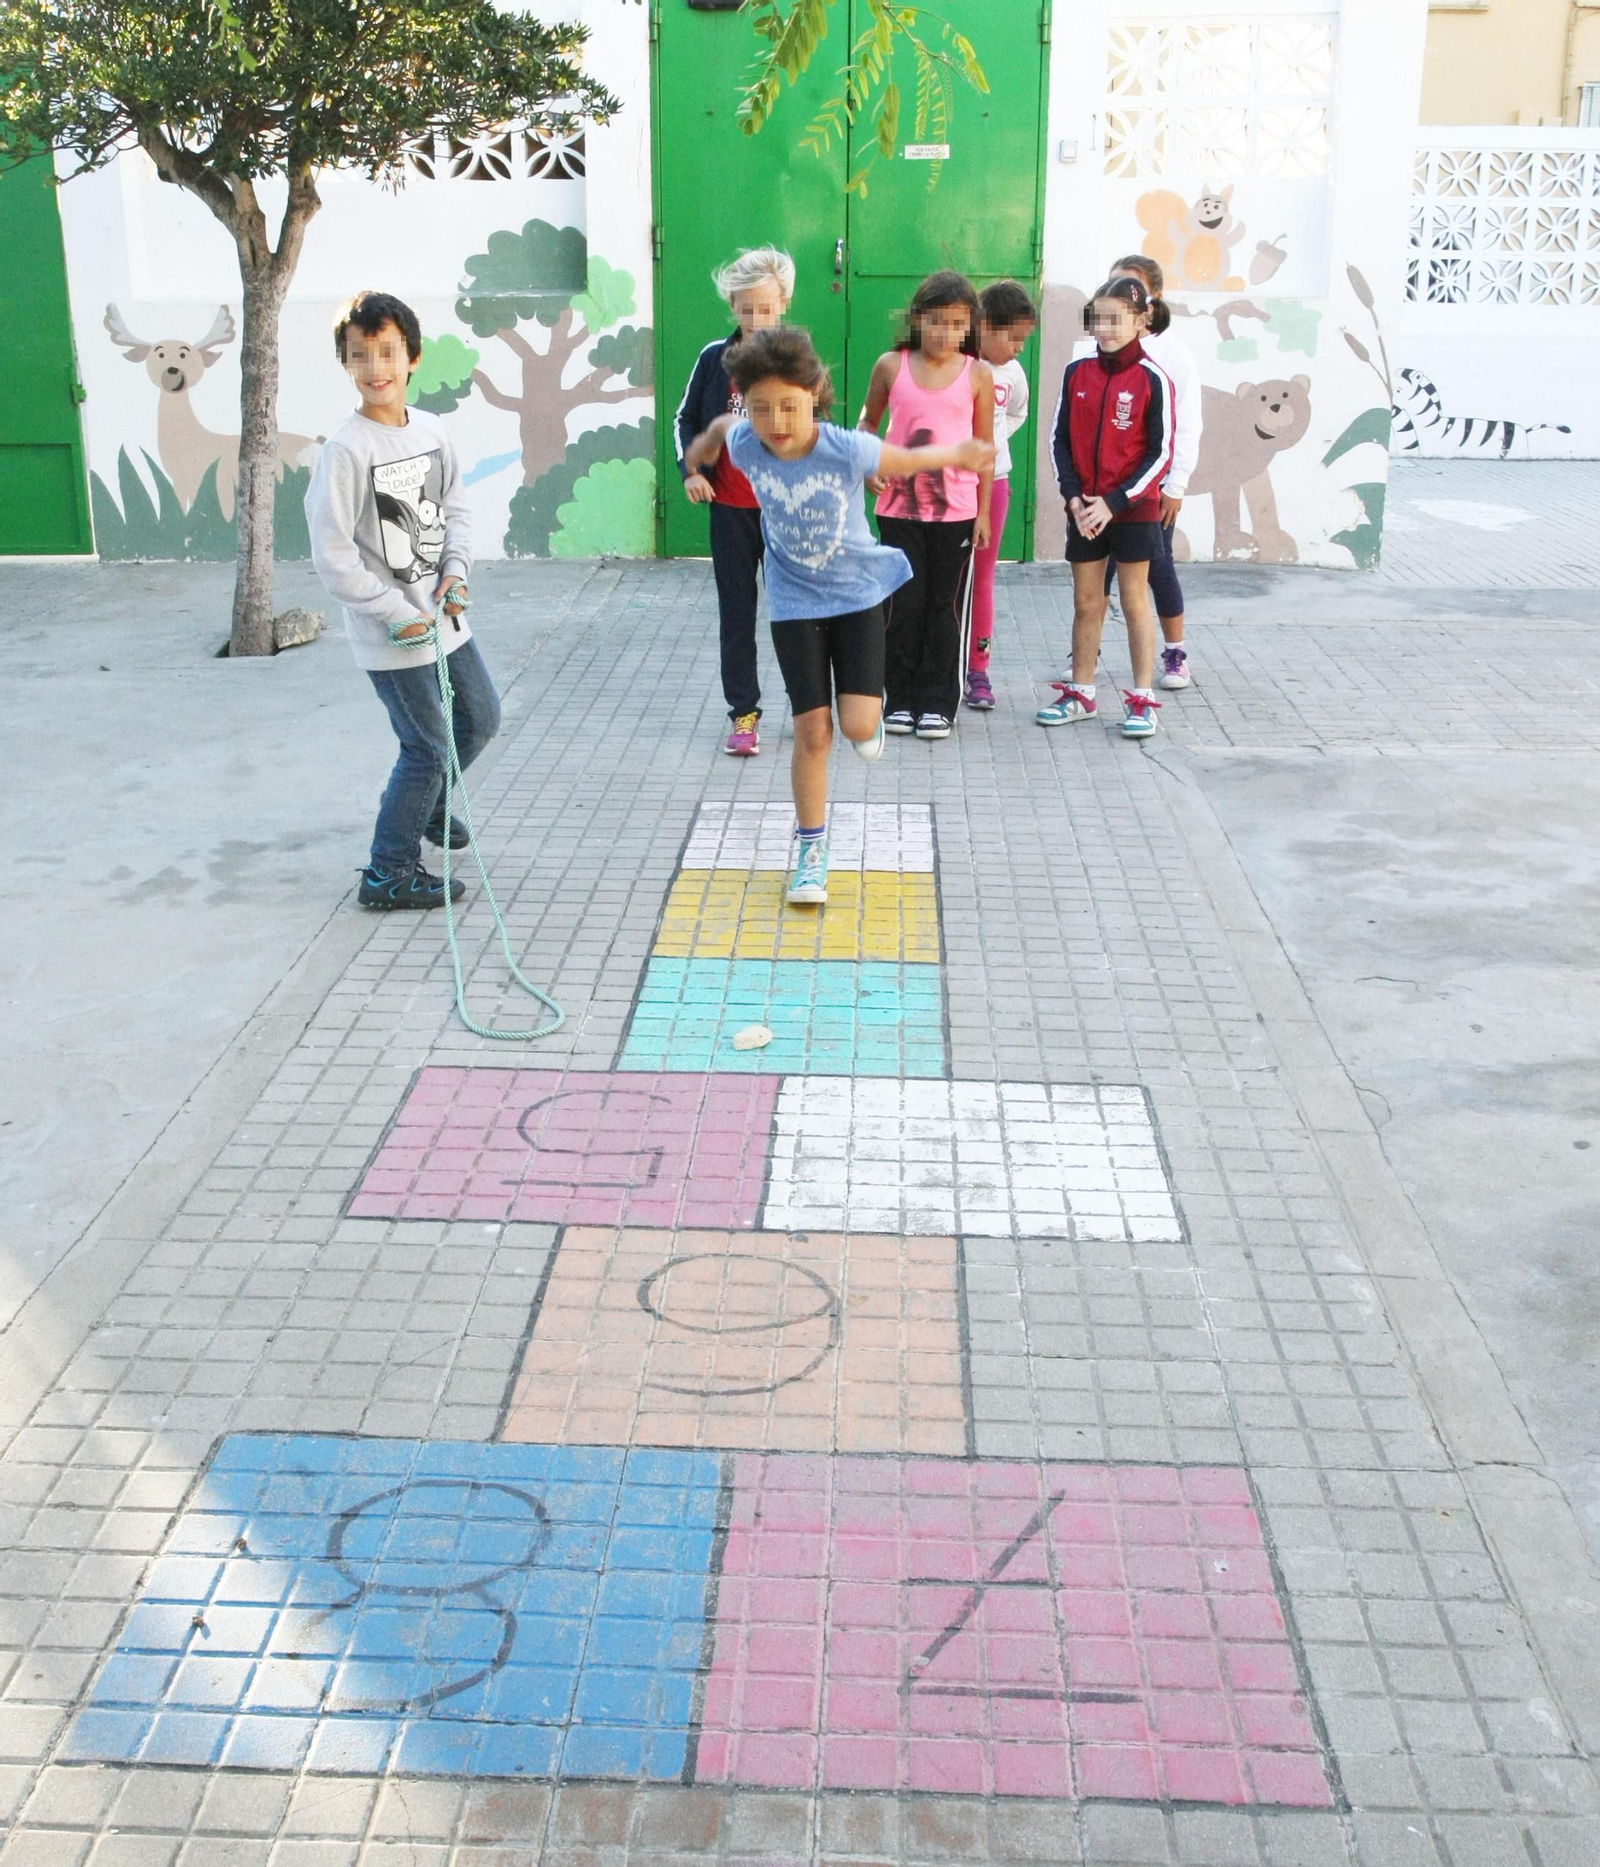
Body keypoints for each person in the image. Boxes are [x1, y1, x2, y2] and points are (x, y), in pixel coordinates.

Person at [686, 326, 993, 904]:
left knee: (854, 726)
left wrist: (960, 453)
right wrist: (700, 450)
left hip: (856, 597)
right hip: (794, 601)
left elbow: (907, 458)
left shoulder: (844, 448)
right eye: (761, 407)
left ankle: (867, 718)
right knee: (813, 732)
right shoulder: (746, 439)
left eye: (789, 406)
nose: (776, 421)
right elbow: (722, 429)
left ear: (814, 394)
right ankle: (810, 852)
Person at [306, 290, 494, 909]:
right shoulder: (345, 450)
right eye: (359, 355)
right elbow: (334, 557)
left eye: (387, 352)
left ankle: (429, 803)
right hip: (392, 633)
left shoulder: (433, 431)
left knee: (481, 718)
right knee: (427, 747)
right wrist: (394, 612)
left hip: (444, 617)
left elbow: (455, 508)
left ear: (412, 357)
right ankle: (387, 872)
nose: (375, 367)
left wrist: (456, 571)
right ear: (345, 363)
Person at [858, 271, 994, 741]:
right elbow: (867, 423)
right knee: (902, 605)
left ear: (969, 325)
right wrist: (868, 464)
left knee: (945, 608)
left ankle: (938, 704)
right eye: (935, 321)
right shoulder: (890, 366)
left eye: (955, 324)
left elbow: (984, 448)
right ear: (917, 319)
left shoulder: (977, 374)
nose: (944, 332)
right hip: (899, 511)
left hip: (956, 514)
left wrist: (982, 513)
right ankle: (898, 700)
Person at [1036, 275, 1173, 741]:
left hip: (1132, 511)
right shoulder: (1077, 373)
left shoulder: (1153, 378)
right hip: (1084, 511)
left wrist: (1114, 503)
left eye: (1117, 319)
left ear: (1140, 320)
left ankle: (1142, 700)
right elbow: (1059, 440)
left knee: (1134, 602)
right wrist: (1074, 498)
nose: (1106, 328)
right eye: (1099, 318)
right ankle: (1081, 693)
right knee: (1086, 602)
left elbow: (1160, 454)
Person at [674, 246, 796, 755]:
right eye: (747, 309)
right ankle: (743, 715)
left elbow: (816, 428)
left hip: (785, 512)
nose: (757, 318)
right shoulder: (713, 359)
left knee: (796, 614)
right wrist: (691, 472)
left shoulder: (795, 360)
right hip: (730, 510)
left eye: (766, 308)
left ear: (783, 305)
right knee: (737, 615)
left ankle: (808, 705)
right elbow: (685, 420)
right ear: (733, 307)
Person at [1099, 254, 1200, 689]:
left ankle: (1175, 653)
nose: (1121, 294)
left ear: (1152, 301)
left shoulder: (1173, 355)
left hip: (1149, 488)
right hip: (1101, 489)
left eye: (1132, 287)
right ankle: (1086, 651)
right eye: (1114, 285)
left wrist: (1175, 485)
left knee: (1158, 566)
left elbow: (1188, 423)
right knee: (1097, 573)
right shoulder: (1095, 347)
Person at [965, 280, 1037, 710]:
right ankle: (939, 664)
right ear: (985, 326)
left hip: (995, 484)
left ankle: (978, 669)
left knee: (983, 578)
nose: (1019, 348)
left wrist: (993, 441)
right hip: (952, 484)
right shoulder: (957, 364)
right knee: (947, 580)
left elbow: (1017, 412)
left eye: (1023, 340)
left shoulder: (1013, 375)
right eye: (1013, 338)